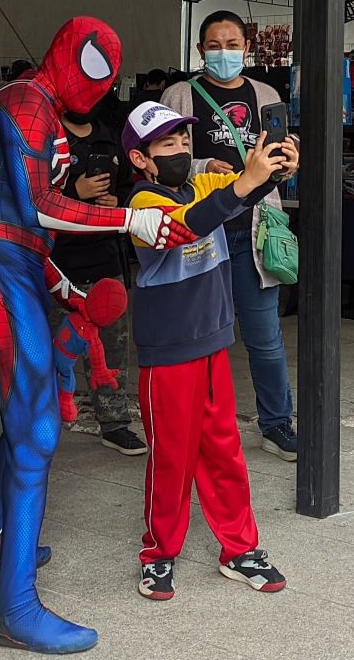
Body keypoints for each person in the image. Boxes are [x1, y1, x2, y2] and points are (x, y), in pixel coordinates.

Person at [0, 16, 197, 655]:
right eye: (97, 67)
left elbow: (29, 229)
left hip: (10, 262)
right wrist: (129, 218)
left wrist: (70, 291)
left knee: (22, 421)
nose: (100, 83)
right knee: (35, 427)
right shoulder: (30, 102)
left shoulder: (34, 106)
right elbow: (36, 210)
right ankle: (14, 608)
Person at [122, 100, 289, 600]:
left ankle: (240, 549)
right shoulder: (141, 207)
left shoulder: (203, 185)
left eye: (183, 141)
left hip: (214, 343)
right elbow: (184, 228)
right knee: (171, 457)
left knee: (225, 454)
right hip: (168, 353)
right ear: (141, 159)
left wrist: (275, 168)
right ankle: (158, 554)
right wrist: (241, 183)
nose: (180, 150)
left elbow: (245, 194)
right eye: (167, 144)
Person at [161, 10, 300, 461]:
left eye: (233, 44)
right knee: (198, 336)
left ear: (247, 47)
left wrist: (289, 160)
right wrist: (203, 166)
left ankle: (277, 424)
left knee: (265, 337)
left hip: (255, 232)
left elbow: (275, 156)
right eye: (215, 46)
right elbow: (162, 157)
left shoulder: (265, 94)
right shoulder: (180, 95)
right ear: (201, 51)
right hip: (204, 232)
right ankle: (194, 426)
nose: (225, 53)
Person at [49, 105, 147, 456]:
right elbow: (29, 198)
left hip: (106, 261)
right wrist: (75, 192)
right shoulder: (48, 138)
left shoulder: (110, 138)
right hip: (59, 266)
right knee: (51, 350)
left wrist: (115, 201)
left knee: (112, 349)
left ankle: (114, 423)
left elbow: (131, 189)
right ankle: (42, 421)